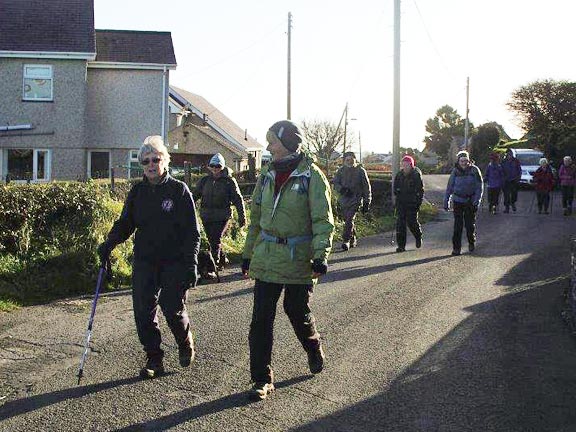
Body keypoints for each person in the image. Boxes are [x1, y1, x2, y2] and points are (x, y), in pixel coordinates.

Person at [241, 120, 334, 401]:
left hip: (299, 258)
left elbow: (323, 219)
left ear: (288, 144)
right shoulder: (267, 174)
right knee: (260, 321)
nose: (268, 146)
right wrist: (247, 254)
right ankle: (261, 379)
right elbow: (255, 219)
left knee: (296, 310)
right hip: (268, 256)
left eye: (273, 141)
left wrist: (320, 256)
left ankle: (313, 345)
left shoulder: (312, 177)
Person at [97, 136, 201, 379]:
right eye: (146, 161)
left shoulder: (178, 190)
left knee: (171, 307)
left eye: (156, 159)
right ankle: (155, 358)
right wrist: (110, 242)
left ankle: (184, 340)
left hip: (174, 260)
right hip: (145, 260)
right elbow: (126, 223)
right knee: (143, 311)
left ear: (165, 161)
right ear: (142, 165)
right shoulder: (137, 192)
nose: (151, 164)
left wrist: (191, 263)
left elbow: (192, 232)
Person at [193, 153, 246, 271]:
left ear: (222, 167)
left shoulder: (229, 182)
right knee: (212, 239)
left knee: (215, 239)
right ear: (209, 167)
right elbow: (195, 195)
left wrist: (242, 217)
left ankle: (214, 265)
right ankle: (223, 258)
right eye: (212, 166)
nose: (215, 168)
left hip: (223, 215)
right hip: (206, 215)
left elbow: (238, 199)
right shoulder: (205, 181)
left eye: (217, 166)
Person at [444, 150, 483, 256]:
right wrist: (446, 201)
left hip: (470, 201)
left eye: (465, 160)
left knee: (469, 225)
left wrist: (476, 201)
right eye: (461, 161)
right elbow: (449, 187)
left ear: (468, 161)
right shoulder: (455, 171)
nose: (463, 163)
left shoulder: (475, 170)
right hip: (457, 201)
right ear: (458, 161)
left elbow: (479, 187)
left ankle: (471, 242)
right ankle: (456, 249)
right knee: (457, 226)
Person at [332, 151, 371, 251]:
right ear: (344, 161)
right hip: (344, 200)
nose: (350, 161)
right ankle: (353, 238)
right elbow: (335, 183)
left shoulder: (361, 171)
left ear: (355, 160)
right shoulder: (340, 171)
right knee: (348, 221)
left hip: (356, 200)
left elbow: (366, 187)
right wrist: (342, 189)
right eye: (347, 160)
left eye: (351, 159)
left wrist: (367, 201)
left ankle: (346, 240)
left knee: (349, 219)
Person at [393, 155, 424, 252]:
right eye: (403, 165)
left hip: (412, 203)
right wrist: (397, 192)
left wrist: (418, 203)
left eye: (407, 165)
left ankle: (418, 236)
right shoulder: (399, 175)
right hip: (401, 203)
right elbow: (395, 187)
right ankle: (401, 246)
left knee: (412, 223)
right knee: (400, 224)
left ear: (411, 165)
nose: (405, 167)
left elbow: (420, 190)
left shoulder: (416, 175)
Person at [501, 148, 522, 213]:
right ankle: (507, 208)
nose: (509, 155)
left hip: (514, 180)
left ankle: (513, 203)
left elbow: (519, 170)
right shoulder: (503, 161)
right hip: (506, 180)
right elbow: (501, 171)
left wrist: (518, 178)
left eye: (510, 154)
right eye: (508, 154)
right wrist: (503, 178)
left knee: (514, 194)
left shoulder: (516, 161)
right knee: (506, 195)